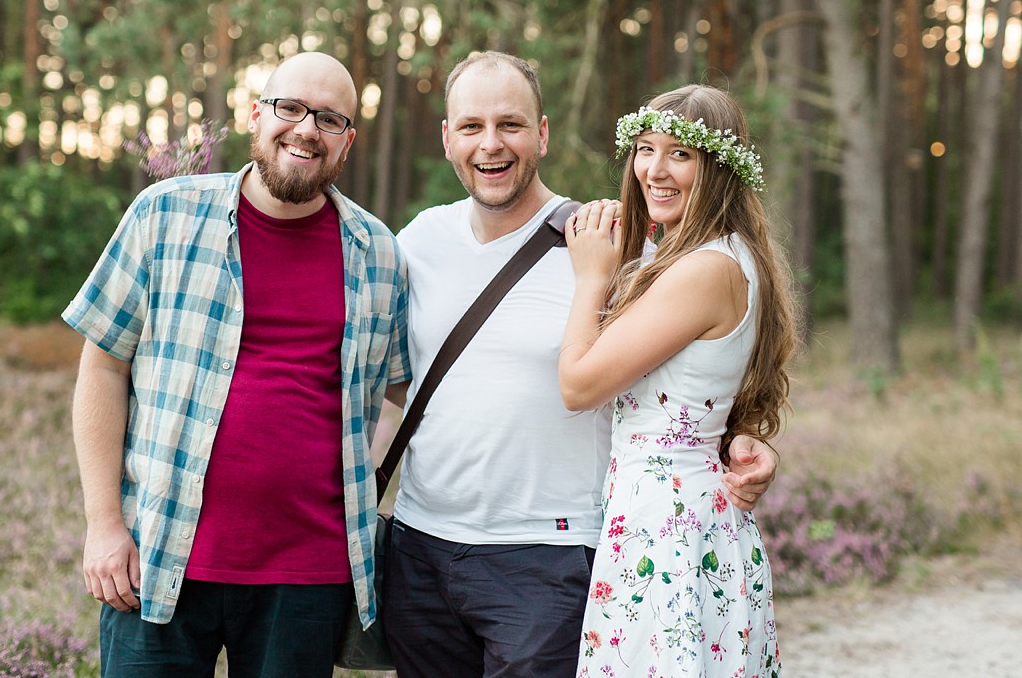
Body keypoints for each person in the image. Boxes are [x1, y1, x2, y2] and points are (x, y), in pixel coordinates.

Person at [379, 52, 781, 678]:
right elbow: (390, 387)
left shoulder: (618, 243)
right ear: (447, 138)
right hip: (420, 551)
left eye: (511, 124)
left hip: (550, 558)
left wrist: (743, 435)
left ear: (542, 133)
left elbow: (708, 358)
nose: (491, 144)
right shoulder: (416, 242)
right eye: (471, 126)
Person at [63, 51, 410, 678]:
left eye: (329, 119)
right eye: (291, 108)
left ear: (347, 141)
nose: (306, 128)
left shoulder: (378, 252)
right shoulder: (163, 215)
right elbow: (102, 368)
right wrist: (103, 524)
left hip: (307, 577)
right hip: (159, 557)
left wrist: (353, 488)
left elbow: (393, 394)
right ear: (258, 115)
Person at [559, 85, 799, 677]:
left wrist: (591, 276)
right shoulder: (723, 255)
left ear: (719, 168)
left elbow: (579, 386)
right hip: (681, 518)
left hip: (668, 528)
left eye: (680, 154)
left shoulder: (704, 270)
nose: (654, 170)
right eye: (645, 149)